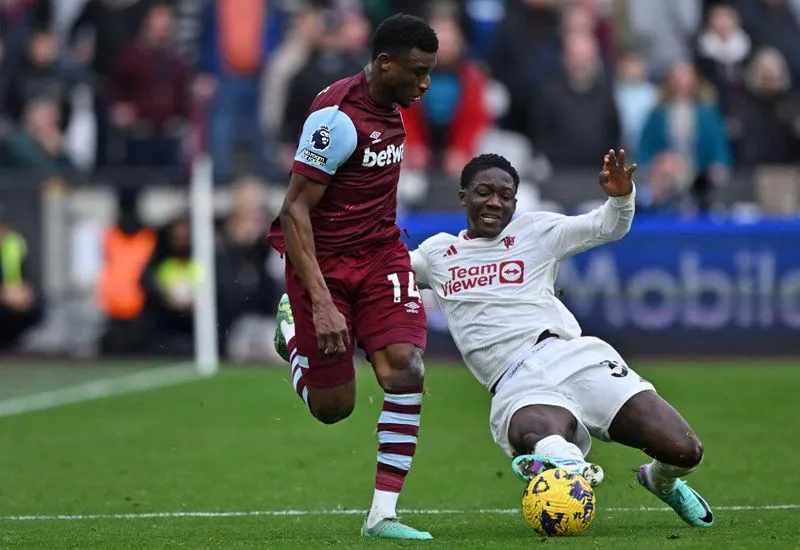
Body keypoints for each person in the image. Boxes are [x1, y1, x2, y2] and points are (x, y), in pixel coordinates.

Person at [277, 149, 713, 529]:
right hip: (516, 380)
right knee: (545, 439)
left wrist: (620, 195)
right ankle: (560, 467)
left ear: (516, 202)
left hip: (575, 357)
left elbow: (607, 227)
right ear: (463, 197)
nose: (494, 203)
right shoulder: (437, 254)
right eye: (484, 192)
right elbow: (374, 282)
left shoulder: (537, 232)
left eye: (505, 195)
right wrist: (313, 301)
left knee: (685, 450)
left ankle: (658, 479)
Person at [268, 14, 438, 540]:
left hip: (382, 254)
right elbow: (295, 211)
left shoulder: (393, 102)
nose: (425, 83)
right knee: (333, 408)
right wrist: (319, 305)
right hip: (324, 264)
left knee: (406, 370)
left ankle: (382, 515)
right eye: (417, 72)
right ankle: (292, 330)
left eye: (429, 71)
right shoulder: (336, 120)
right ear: (385, 64)